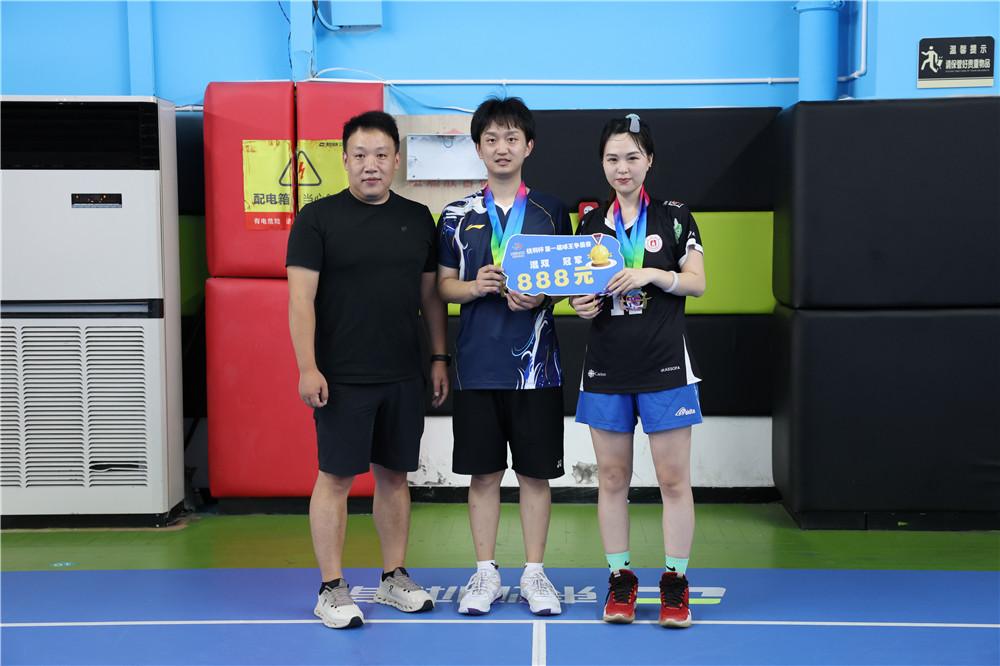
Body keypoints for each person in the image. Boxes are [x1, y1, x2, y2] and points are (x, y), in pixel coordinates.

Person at [286, 110, 450, 630]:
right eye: (360, 155)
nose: (370, 165)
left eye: (381, 155)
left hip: (402, 372)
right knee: (335, 477)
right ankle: (330, 587)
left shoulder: (417, 218)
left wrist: (438, 357)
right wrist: (307, 367)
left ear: (397, 160)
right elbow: (300, 300)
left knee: (395, 475)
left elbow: (430, 297)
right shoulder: (317, 219)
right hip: (341, 376)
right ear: (345, 160)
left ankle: (393, 576)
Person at [569, 113, 706, 629]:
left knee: (673, 480)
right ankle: (620, 579)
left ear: (649, 160)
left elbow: (697, 282)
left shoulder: (675, 217)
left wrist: (652, 273)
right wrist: (580, 305)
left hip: (665, 366)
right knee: (611, 479)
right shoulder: (589, 225)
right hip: (606, 367)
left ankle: (675, 583)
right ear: (602, 164)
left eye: (631, 156)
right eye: (612, 158)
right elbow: (581, 294)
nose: (621, 167)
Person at [437, 96, 571, 616]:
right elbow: (443, 286)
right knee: (484, 476)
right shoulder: (455, 215)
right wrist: (474, 287)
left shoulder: (551, 211)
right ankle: (486, 573)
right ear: (478, 148)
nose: (501, 147)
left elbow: (570, 282)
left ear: (528, 146)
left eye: (511, 138)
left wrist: (542, 296)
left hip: (537, 369)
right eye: (491, 139)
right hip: (476, 367)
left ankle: (535, 573)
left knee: (535, 476)